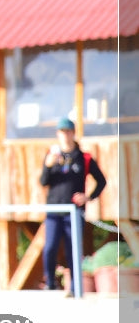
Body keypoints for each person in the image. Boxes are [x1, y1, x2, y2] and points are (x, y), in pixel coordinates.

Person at [40, 116, 106, 293]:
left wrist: (88, 197)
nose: (65, 135)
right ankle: (50, 282)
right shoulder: (52, 155)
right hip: (54, 210)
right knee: (50, 247)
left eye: (68, 131)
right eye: (62, 132)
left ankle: (76, 287)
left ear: (73, 133)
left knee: (73, 249)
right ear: (58, 134)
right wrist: (48, 165)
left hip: (74, 211)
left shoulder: (83, 158)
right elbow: (43, 181)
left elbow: (101, 181)